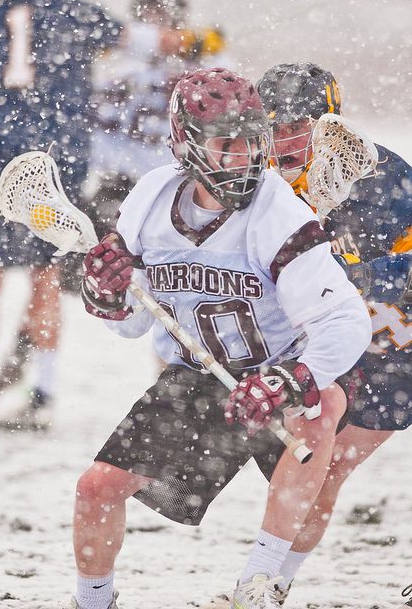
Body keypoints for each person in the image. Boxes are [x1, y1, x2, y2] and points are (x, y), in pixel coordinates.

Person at [69, 67, 371, 609]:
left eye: (253, 143)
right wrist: (109, 294)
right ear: (186, 143)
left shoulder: (277, 210)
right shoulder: (150, 199)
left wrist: (289, 379)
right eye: (226, 145)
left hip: (277, 373)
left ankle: (258, 584)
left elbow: (346, 321)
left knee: (322, 406)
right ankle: (93, 601)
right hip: (197, 376)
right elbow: (133, 325)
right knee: (96, 488)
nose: (245, 159)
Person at [252, 62, 412, 604]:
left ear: (330, 122)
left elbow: (384, 278)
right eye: (272, 125)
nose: (284, 139)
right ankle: (271, 583)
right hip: (331, 336)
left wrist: (342, 270)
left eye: (298, 124)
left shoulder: (382, 180)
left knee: (332, 465)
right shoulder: (260, 182)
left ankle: (270, 580)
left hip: (396, 336)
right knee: (314, 463)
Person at [0, 0, 125, 428]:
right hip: (52, 159)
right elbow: (129, 37)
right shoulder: (73, 11)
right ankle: (43, 391)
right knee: (45, 274)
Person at [88, 0, 228, 239]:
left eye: (164, 12)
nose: (158, 19)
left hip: (175, 174)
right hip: (121, 175)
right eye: (151, 12)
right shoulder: (119, 59)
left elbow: (228, 95)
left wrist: (200, 50)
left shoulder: (199, 60)